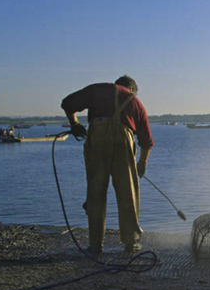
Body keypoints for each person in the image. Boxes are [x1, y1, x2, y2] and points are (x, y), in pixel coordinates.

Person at [61, 75, 154, 257]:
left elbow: (67, 103)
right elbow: (147, 142)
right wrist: (142, 163)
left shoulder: (97, 90)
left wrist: (75, 123)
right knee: (128, 193)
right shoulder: (135, 101)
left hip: (97, 140)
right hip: (122, 142)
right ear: (132, 89)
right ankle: (131, 243)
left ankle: (95, 246)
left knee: (95, 193)